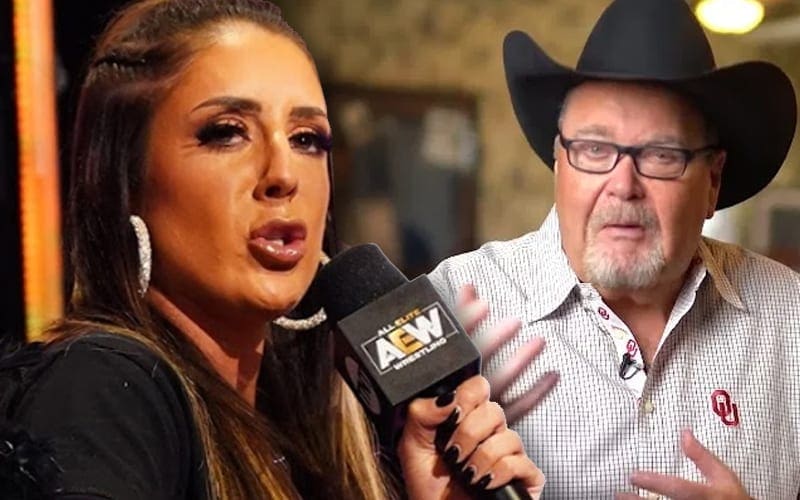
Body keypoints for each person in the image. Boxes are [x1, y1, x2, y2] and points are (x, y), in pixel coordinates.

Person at [8, 1, 546, 498]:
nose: (284, 174)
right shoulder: (103, 388)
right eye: (226, 132)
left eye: (307, 139)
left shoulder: (310, 433)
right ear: (125, 180)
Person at [429, 0, 800, 498]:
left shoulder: (790, 319)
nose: (623, 186)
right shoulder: (450, 307)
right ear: (559, 163)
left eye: (662, 154)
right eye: (594, 149)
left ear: (712, 182)